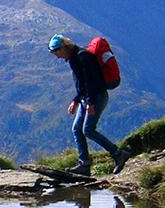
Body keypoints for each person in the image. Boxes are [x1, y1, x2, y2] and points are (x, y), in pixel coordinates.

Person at [49, 33, 129, 176]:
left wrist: (90, 103)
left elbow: (91, 82)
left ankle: (118, 154)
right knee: (76, 129)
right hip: (86, 99)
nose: (57, 57)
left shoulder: (83, 56)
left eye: (57, 52)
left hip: (97, 97)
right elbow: (81, 84)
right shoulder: (73, 58)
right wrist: (75, 100)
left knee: (88, 130)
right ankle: (84, 164)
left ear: (64, 48)